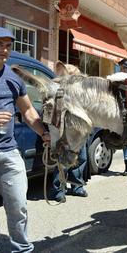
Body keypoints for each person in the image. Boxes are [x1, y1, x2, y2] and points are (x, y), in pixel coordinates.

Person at [0, 26, 51, 252]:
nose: (4, 50)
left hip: (10, 152)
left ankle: (21, 248)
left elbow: (29, 111)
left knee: (19, 206)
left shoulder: (12, 77)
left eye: (8, 45)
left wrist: (44, 132)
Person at [50, 61, 89, 202]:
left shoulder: (80, 92)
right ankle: (58, 190)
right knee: (63, 160)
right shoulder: (57, 90)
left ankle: (76, 186)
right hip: (64, 131)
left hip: (79, 131)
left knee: (82, 158)